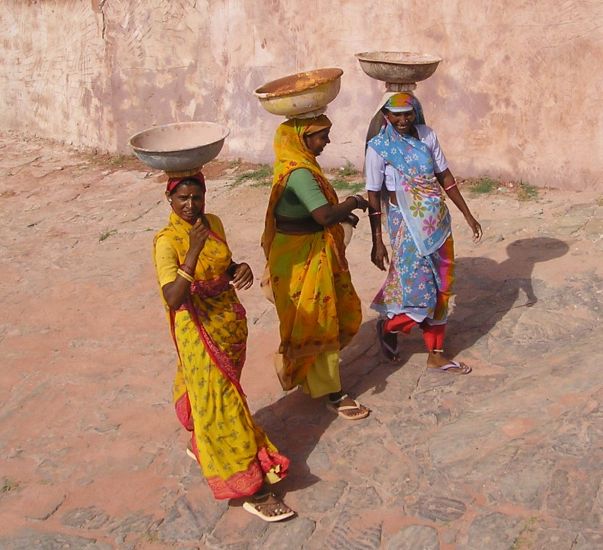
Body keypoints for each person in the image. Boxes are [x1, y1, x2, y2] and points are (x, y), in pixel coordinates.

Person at [153, 173, 294, 521]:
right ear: (169, 200)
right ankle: (250, 487)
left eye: (196, 197)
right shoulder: (167, 241)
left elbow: (223, 264)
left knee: (215, 399)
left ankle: (205, 441)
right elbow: (173, 297)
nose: (190, 206)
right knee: (224, 404)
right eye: (182, 199)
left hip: (226, 323)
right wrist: (194, 247)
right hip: (197, 330)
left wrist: (238, 269)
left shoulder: (212, 222)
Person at [261, 115, 370, 420]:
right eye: (322, 136)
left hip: (293, 253)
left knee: (308, 319)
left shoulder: (291, 163)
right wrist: (352, 202)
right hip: (303, 257)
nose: (327, 142)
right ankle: (332, 393)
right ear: (302, 139)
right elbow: (323, 216)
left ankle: (311, 376)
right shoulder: (301, 174)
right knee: (321, 320)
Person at [365, 92, 483, 372]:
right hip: (406, 224)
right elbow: (372, 195)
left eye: (408, 113)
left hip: (437, 221)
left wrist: (467, 214)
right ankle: (389, 326)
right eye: (397, 114)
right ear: (386, 115)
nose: (403, 119)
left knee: (443, 286)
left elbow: (444, 176)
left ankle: (436, 352)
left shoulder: (427, 136)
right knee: (419, 292)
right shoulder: (379, 148)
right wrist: (377, 241)